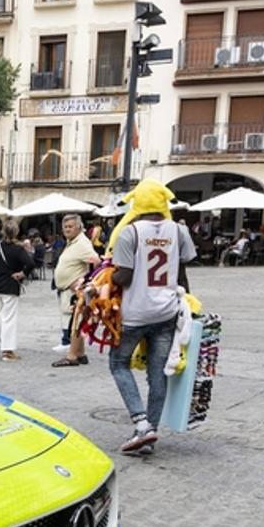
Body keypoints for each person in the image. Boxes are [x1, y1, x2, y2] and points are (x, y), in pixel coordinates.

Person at [104, 179, 196, 455]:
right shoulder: (179, 230)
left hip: (135, 313)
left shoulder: (130, 232)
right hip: (167, 312)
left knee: (118, 363)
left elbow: (124, 275)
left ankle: (141, 423)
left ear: (137, 202)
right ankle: (150, 430)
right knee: (159, 373)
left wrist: (105, 277)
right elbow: (183, 267)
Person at [52, 215, 101, 368]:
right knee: (77, 320)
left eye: (70, 226)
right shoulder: (73, 242)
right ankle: (80, 353)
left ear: (79, 227)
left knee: (75, 322)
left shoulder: (81, 243)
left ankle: (72, 356)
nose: (67, 229)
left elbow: (97, 261)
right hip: (69, 289)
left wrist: (86, 281)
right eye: (65, 226)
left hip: (76, 291)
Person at [0, 219, 34, 361]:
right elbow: (30, 263)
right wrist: (22, 274)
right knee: (8, 319)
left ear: (2, 231)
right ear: (16, 232)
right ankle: (7, 350)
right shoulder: (18, 249)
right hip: (11, 286)